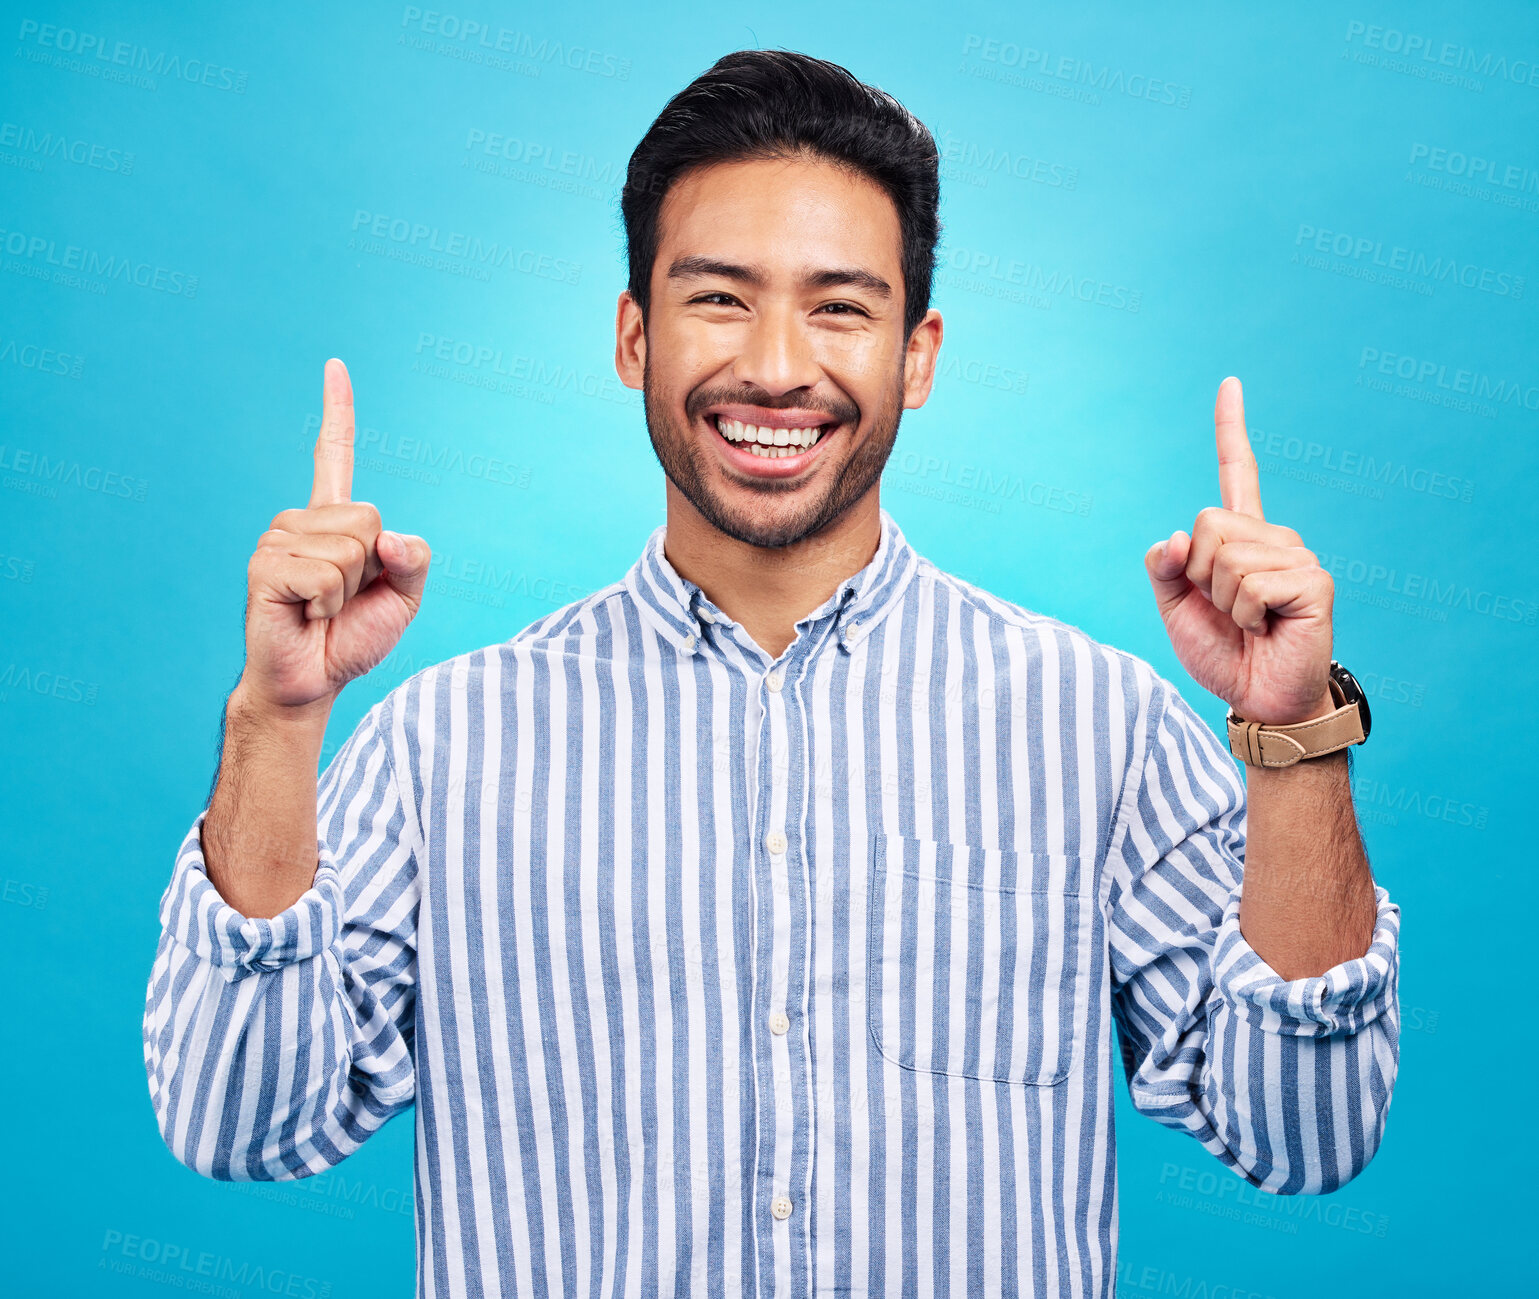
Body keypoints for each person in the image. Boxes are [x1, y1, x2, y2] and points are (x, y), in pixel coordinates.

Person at [143, 48, 1399, 1299]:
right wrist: (277, 720)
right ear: (635, 335)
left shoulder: (1095, 726)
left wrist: (1293, 733)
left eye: (841, 306)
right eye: (720, 298)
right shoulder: (446, 745)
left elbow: (1304, 1135)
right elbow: (238, 1123)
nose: (780, 367)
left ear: (918, 353)